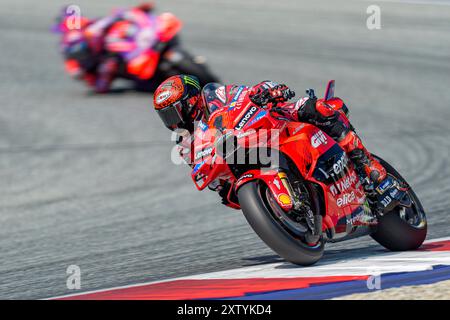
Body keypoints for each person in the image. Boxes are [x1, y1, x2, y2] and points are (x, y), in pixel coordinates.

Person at [153, 75, 387, 205]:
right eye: (165, 116)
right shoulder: (185, 144)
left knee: (315, 108)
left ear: (191, 101)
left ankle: (366, 164)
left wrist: (268, 90)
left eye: (173, 112)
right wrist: (222, 187)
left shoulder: (215, 97)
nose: (172, 121)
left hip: (267, 128)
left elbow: (247, 92)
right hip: (242, 162)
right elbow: (208, 177)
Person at [55, 3, 160, 93]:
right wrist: (79, 71)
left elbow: (105, 22)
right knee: (106, 79)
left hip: (108, 49)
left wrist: (121, 14)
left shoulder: (87, 25)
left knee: (122, 31)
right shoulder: (64, 46)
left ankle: (147, 44)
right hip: (99, 67)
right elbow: (74, 70)